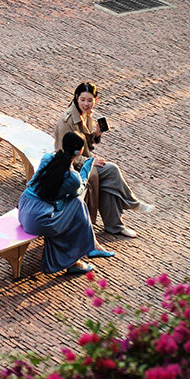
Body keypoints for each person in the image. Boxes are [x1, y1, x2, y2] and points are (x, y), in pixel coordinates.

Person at [54, 82, 154, 238]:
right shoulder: (67, 120)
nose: (86, 104)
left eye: (90, 100)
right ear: (76, 97)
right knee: (111, 171)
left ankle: (115, 225)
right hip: (72, 166)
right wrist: (89, 162)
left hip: (85, 161)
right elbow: (63, 152)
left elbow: (85, 144)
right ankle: (131, 205)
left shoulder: (86, 115)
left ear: (96, 100)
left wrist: (97, 134)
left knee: (108, 183)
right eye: (83, 100)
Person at [18, 132, 104, 275]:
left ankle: (81, 255)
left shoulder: (47, 158)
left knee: (70, 209)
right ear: (80, 151)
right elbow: (79, 190)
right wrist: (87, 167)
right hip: (38, 220)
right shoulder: (72, 178)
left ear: (63, 145)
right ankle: (79, 255)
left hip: (24, 209)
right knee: (77, 204)